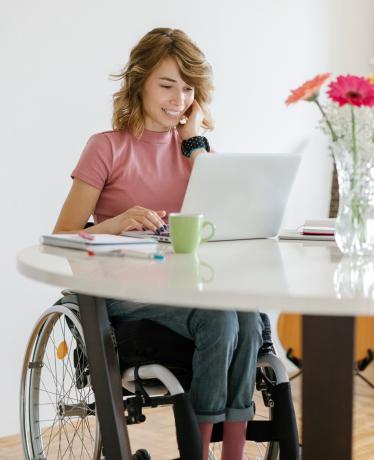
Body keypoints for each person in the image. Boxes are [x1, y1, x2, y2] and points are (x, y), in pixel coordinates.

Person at [53, 27, 262, 460]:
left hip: (184, 285)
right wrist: (116, 223)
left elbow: (224, 222)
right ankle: (199, 454)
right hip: (124, 292)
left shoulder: (195, 151)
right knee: (221, 320)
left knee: (248, 314)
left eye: (188, 89)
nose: (178, 99)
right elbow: (61, 236)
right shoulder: (105, 148)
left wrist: (195, 143)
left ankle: (234, 453)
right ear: (139, 83)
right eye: (167, 85)